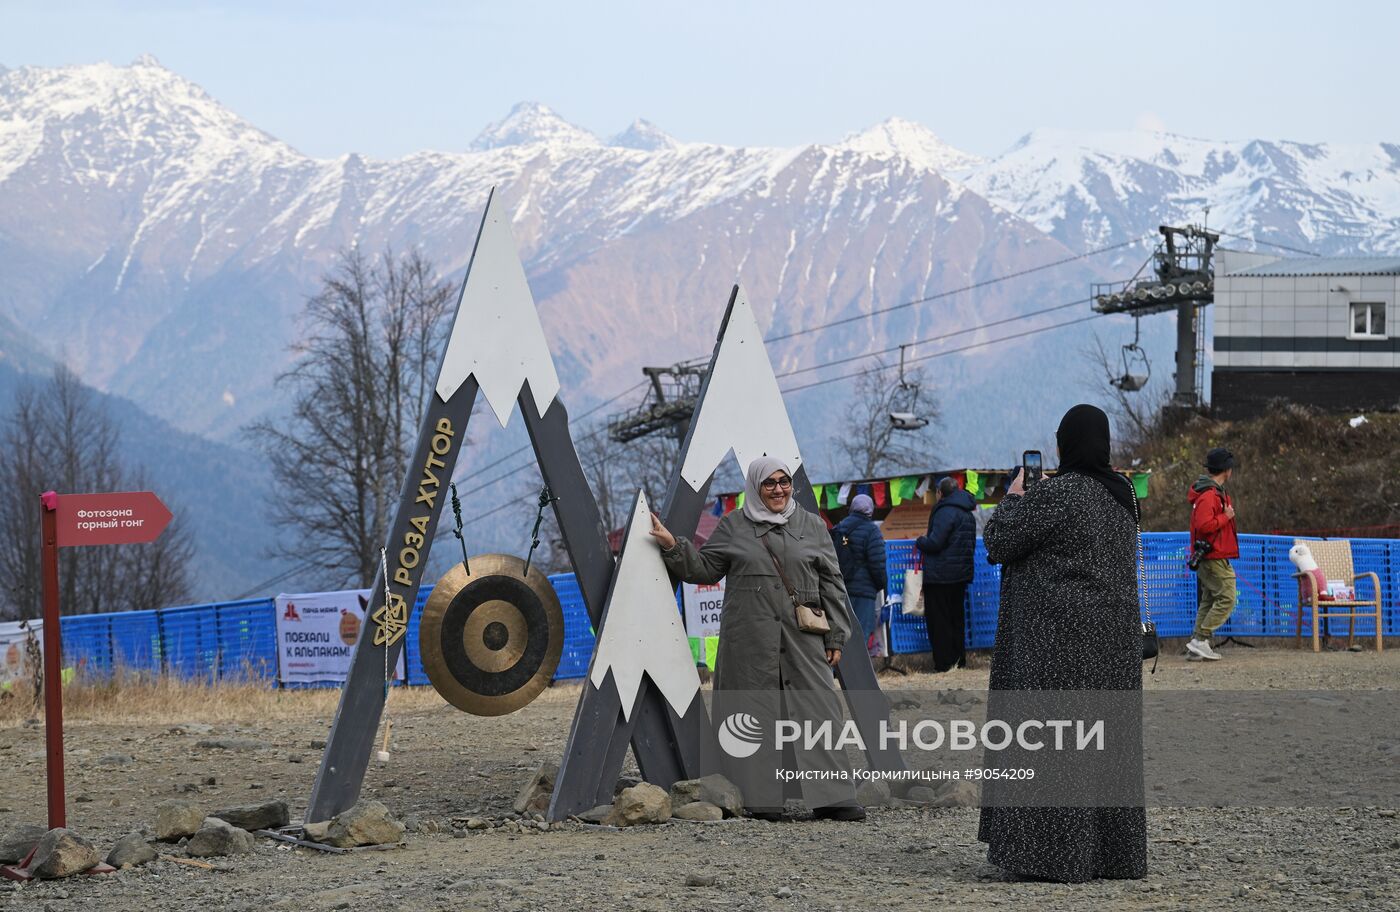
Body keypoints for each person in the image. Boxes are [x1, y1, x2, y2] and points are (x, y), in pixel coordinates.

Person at [977, 404, 1146, 883]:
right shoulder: (1124, 495)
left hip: (1058, 640)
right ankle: (1112, 856)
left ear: (1066, 443)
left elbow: (1000, 541)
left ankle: (1051, 857)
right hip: (1112, 641)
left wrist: (1011, 498)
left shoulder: (1063, 493)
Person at [649, 457, 865, 822]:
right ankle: (762, 799)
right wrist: (673, 545)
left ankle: (833, 797)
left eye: (784, 482)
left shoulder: (812, 525)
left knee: (817, 710)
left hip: (802, 639)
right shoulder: (734, 524)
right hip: (748, 640)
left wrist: (837, 636)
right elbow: (703, 568)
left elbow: (832, 584)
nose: (779, 489)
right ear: (755, 487)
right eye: (769, 483)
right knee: (752, 714)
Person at [916, 476, 976, 672]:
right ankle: (959, 660)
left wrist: (920, 541)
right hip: (960, 575)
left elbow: (935, 543)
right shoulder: (967, 512)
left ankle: (944, 663)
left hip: (941, 576)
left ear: (940, 493)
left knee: (939, 621)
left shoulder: (945, 511)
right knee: (956, 619)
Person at [1186, 447, 1239, 661]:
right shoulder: (1209, 495)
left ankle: (1198, 644)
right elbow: (1204, 525)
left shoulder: (1214, 492)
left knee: (1209, 600)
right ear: (1226, 470)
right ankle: (1201, 639)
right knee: (1227, 597)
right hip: (1212, 555)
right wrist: (1225, 517)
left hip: (1214, 554)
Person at [831, 493, 887, 656]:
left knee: (841, 633)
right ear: (870, 510)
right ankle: (857, 675)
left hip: (841, 589)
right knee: (860, 633)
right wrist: (881, 584)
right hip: (864, 592)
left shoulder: (838, 528)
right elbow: (877, 563)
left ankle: (839, 671)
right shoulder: (872, 531)